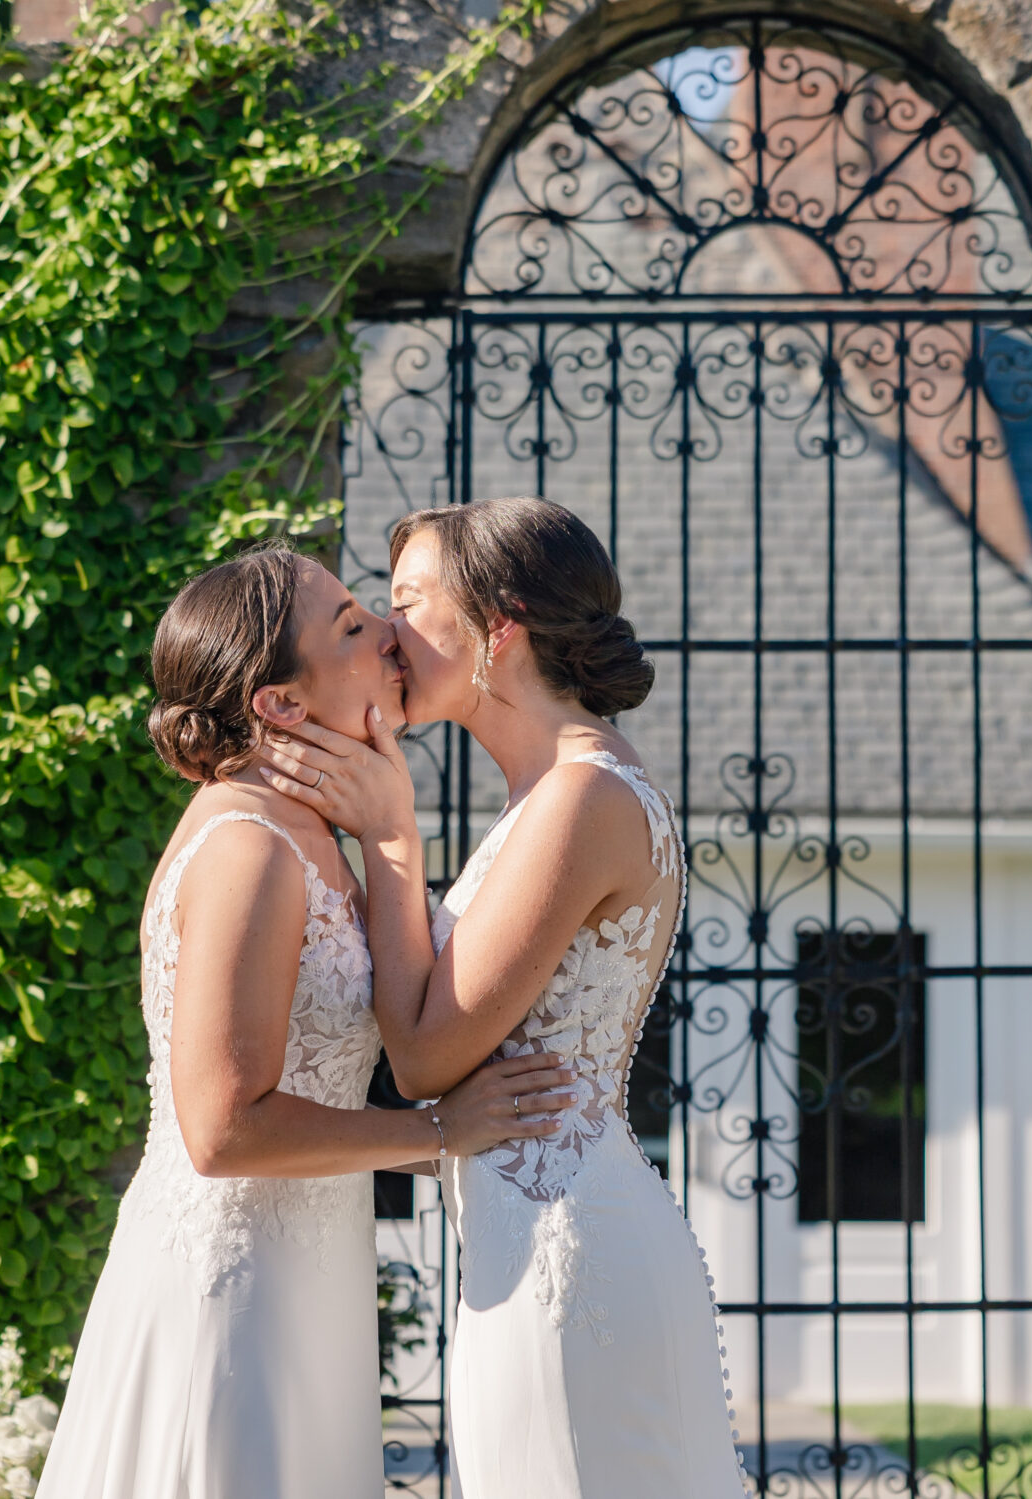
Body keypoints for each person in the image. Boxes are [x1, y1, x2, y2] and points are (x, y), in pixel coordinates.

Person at [36, 540, 574, 1499]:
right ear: (280, 703)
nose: (389, 636)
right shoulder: (247, 843)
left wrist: (392, 834)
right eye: (353, 626)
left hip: (309, 1281)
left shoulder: (313, 829)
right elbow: (223, 1124)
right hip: (231, 1300)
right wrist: (441, 1134)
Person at [259, 498, 747, 1498]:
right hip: (525, 1243)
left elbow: (428, 1061)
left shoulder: (582, 797)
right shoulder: (548, 794)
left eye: (406, 604)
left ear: (500, 626)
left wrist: (391, 845)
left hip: (572, 1261)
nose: (386, 634)